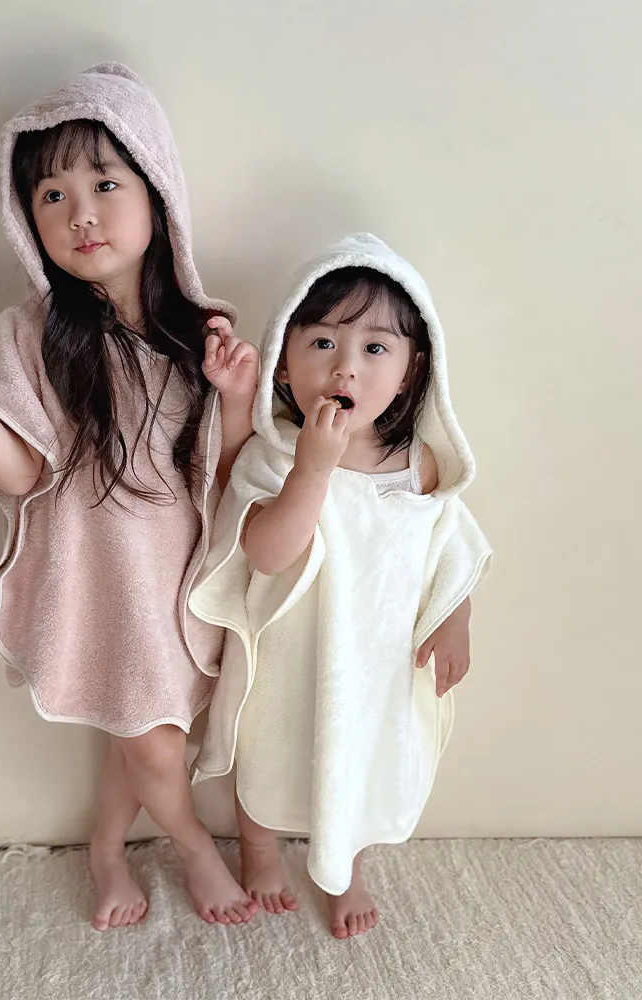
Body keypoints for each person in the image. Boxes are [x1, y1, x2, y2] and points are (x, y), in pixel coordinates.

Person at [0, 64, 260, 930]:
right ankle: (194, 847)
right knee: (153, 742)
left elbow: (228, 477)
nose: (81, 213)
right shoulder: (31, 334)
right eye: (52, 195)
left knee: (140, 730)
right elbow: (16, 474)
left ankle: (106, 849)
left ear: (158, 193)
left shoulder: (201, 334)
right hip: (97, 581)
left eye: (106, 184)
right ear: (27, 220)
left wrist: (234, 398)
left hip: (179, 581)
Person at [189, 233, 492, 938]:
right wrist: (314, 470)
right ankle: (259, 850)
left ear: (412, 373)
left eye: (375, 348)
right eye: (322, 342)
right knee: (268, 755)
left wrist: (455, 616)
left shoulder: (417, 464)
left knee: (357, 756)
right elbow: (266, 553)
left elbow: (449, 548)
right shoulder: (276, 455)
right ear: (284, 363)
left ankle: (345, 866)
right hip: (291, 655)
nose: (345, 366)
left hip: (377, 660)